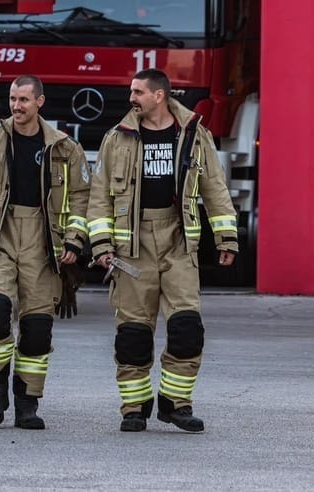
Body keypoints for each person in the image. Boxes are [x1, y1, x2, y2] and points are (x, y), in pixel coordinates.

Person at [88, 68, 239, 433]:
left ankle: (176, 404)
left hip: (178, 244)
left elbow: (215, 188)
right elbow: (99, 196)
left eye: (138, 91)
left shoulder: (193, 135)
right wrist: (102, 245)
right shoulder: (117, 138)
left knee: (187, 328)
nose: (131, 98)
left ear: (159, 96)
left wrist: (226, 237)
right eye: (131, 91)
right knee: (134, 335)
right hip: (131, 247)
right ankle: (134, 408)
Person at [0, 75, 91, 429]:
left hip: (45, 244)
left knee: (37, 327)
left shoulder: (64, 148)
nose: (17, 106)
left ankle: (27, 404)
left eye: (24, 100)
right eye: (13, 99)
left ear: (40, 102)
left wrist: (75, 239)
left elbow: (81, 198)